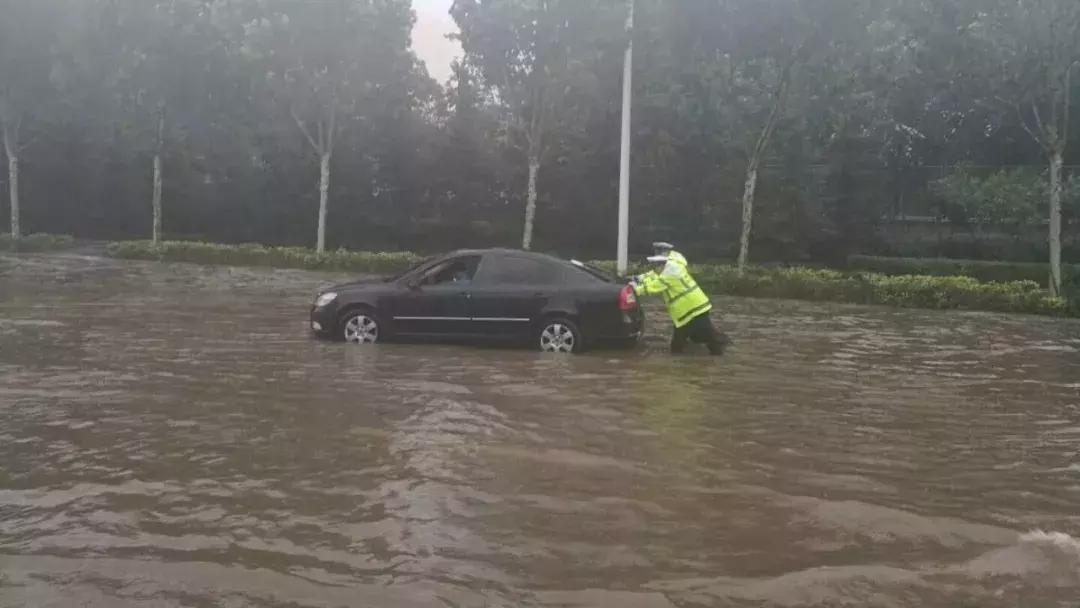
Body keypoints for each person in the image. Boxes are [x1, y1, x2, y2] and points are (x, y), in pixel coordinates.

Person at [632, 242, 730, 355]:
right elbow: (654, 275)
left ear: (662, 261)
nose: (654, 267)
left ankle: (720, 352)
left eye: (656, 263)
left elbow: (656, 285)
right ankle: (718, 350)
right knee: (698, 338)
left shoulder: (671, 271)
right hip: (688, 312)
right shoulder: (670, 265)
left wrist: (636, 289)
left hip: (692, 310)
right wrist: (639, 278)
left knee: (706, 338)